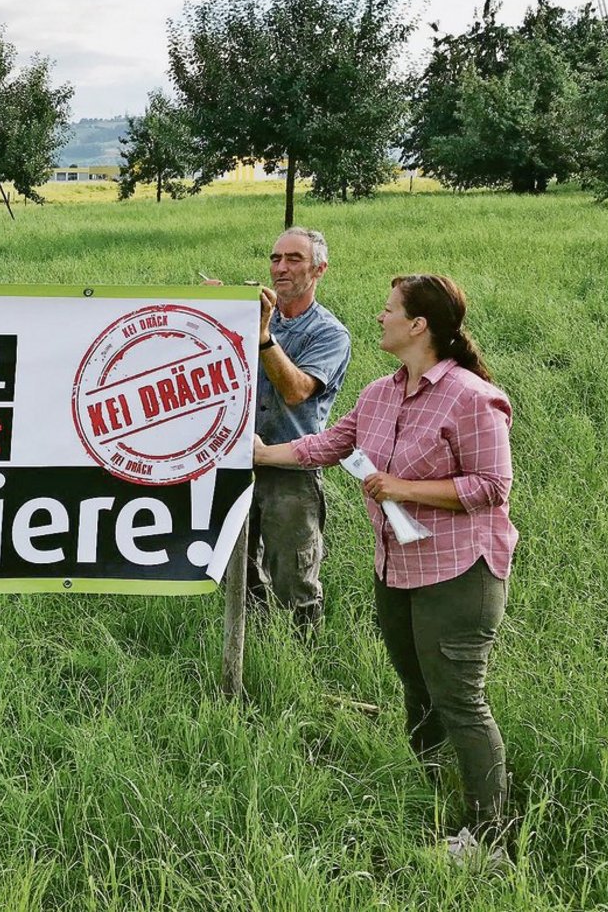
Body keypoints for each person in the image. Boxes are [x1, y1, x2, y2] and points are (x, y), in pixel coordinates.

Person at [254, 274, 517, 839]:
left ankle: (488, 835)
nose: (380, 317)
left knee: (461, 701)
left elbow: (493, 485)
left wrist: (403, 488)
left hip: (459, 571)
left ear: (418, 325)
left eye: (389, 310)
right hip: (395, 568)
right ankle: (435, 792)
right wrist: (260, 453)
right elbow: (329, 444)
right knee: (418, 690)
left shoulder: (472, 397)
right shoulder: (380, 393)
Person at [211, 228, 351, 636]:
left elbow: (296, 392)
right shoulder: (246, 315)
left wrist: (263, 336)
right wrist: (209, 310)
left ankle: (305, 656)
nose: (280, 268)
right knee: (238, 569)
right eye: (275, 258)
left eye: (293, 259)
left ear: (319, 269)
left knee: (294, 574)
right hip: (235, 460)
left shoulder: (328, 333)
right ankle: (254, 642)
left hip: (290, 468)